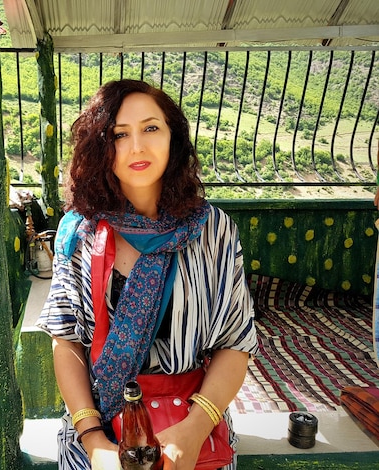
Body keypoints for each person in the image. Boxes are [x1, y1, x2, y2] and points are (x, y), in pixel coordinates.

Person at [36, 79, 259, 470]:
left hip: (192, 432)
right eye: (120, 134)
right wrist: (94, 443)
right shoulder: (81, 231)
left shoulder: (212, 229)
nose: (137, 146)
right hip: (99, 433)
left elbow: (235, 342)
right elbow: (66, 343)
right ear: (101, 147)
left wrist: (193, 429)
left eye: (151, 128)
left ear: (174, 136)